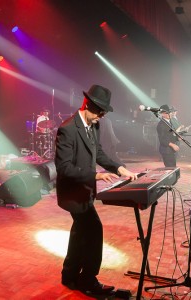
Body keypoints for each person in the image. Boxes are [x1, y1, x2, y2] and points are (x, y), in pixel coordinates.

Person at [55, 84, 137, 295]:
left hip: (86, 191)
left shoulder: (95, 125)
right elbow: (63, 169)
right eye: (99, 111)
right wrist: (95, 175)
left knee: (80, 232)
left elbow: (98, 153)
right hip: (74, 193)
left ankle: (69, 275)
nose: (102, 115)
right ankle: (88, 281)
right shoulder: (68, 129)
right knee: (94, 230)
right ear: (87, 105)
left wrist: (120, 169)